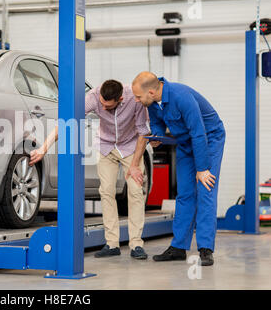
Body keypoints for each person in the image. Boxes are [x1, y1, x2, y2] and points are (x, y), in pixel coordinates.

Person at [29, 80, 151, 259]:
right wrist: (43, 148)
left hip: (130, 148)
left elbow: (143, 132)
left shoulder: (135, 99)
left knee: (135, 192)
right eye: (101, 104)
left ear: (120, 99)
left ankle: (136, 244)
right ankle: (112, 244)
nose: (102, 107)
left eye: (107, 106)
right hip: (106, 146)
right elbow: (66, 121)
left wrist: (134, 165)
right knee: (106, 191)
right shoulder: (93, 97)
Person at [131, 72, 225, 266]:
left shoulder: (181, 96)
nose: (137, 100)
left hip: (209, 138)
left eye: (138, 97)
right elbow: (157, 123)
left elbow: (199, 132)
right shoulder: (153, 102)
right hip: (185, 142)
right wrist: (157, 136)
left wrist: (202, 168)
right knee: (184, 193)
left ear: (150, 91)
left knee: (205, 189)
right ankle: (179, 247)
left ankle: (205, 249)